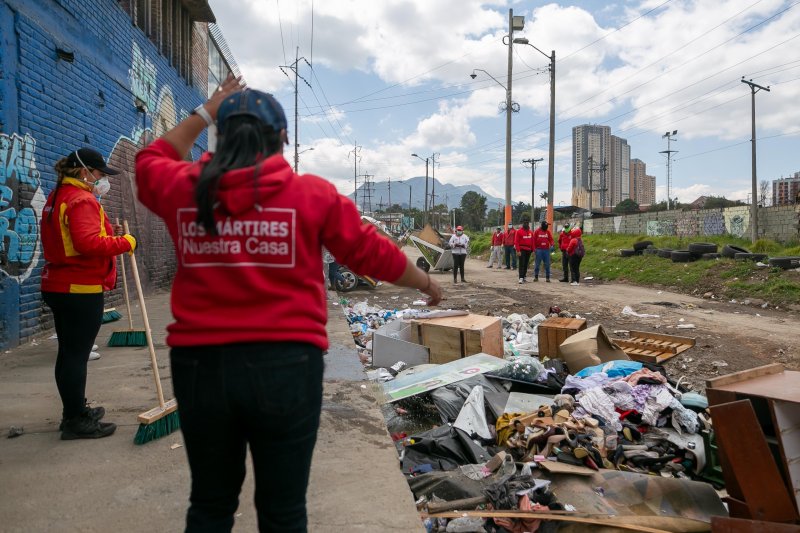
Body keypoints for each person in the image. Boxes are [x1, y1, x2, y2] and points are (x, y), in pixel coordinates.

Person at [135, 76, 442, 532]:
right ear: (281, 139)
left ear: (221, 134)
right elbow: (367, 252)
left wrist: (205, 110)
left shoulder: (185, 188)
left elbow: (149, 160)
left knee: (210, 503)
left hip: (201, 368)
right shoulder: (311, 195)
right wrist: (424, 281)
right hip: (286, 368)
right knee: (283, 509)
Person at [40, 148, 137, 440]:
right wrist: (126, 242)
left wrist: (111, 232)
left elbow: (75, 237)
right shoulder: (81, 199)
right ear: (85, 172)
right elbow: (88, 244)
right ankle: (75, 420)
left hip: (59, 284)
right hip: (78, 288)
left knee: (70, 353)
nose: (101, 180)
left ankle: (74, 409)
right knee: (76, 356)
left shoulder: (58, 196)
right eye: (99, 174)